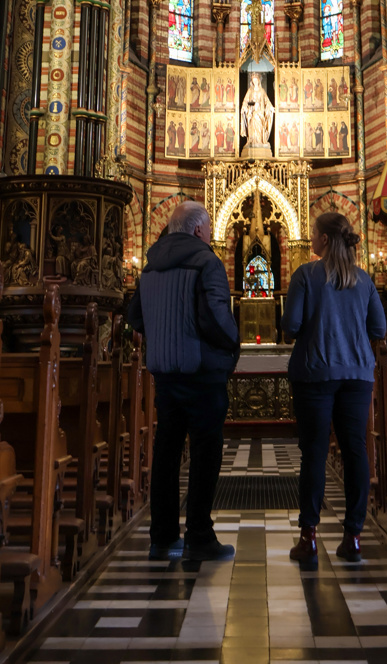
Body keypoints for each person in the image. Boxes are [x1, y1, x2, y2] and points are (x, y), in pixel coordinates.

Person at [128, 201, 240, 561]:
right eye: (208, 229)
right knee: (206, 453)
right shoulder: (207, 262)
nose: (210, 236)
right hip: (202, 371)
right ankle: (199, 537)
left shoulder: (150, 265)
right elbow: (216, 319)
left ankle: (161, 537)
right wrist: (231, 349)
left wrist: (163, 337)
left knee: (167, 451)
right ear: (197, 230)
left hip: (164, 371)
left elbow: (135, 316)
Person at [282, 212, 386, 568]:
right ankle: (353, 536)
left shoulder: (306, 275)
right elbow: (379, 328)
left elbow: (291, 326)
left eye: (313, 232)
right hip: (357, 374)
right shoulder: (364, 280)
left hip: (315, 374)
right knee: (355, 451)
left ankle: (308, 537)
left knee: (314, 453)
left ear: (324, 240)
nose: (310, 237)